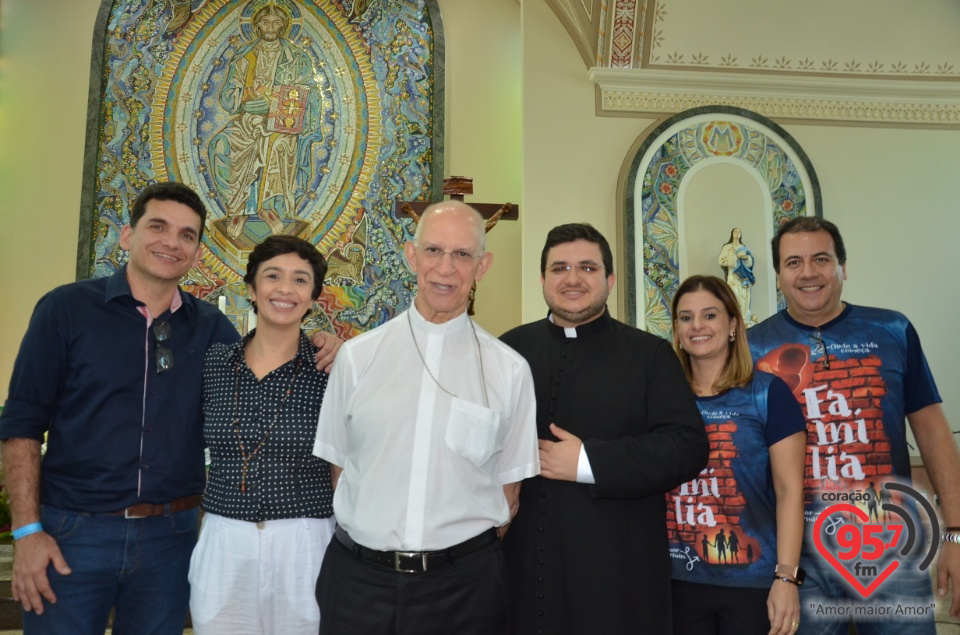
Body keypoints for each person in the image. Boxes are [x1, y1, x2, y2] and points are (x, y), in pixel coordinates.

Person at [0, 182, 240, 634]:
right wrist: (27, 533)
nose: (172, 241)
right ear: (128, 236)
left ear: (196, 252)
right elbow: (22, 425)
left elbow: (261, 375)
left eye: (187, 235)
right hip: (73, 535)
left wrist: (320, 348)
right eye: (158, 226)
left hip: (171, 541)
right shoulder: (65, 309)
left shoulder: (212, 327)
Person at [312, 200, 539, 635]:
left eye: (462, 254)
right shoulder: (358, 357)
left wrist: (452, 558)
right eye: (433, 251)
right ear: (411, 256)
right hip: (360, 581)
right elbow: (340, 468)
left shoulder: (509, 370)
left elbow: (509, 495)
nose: (446, 268)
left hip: (464, 589)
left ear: (483, 265)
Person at [748, 216, 960, 633]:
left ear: (843, 267)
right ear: (777, 276)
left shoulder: (892, 330)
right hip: (797, 557)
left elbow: (933, 431)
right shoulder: (753, 347)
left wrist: (955, 533)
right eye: (793, 262)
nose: (808, 272)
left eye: (821, 259)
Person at [499, 223, 709, 634]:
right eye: (559, 268)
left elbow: (688, 447)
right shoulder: (508, 351)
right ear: (542, 279)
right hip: (522, 571)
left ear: (609, 280)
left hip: (617, 578)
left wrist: (588, 461)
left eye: (587, 268)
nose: (572, 279)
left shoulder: (649, 354)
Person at [188, 236, 334, 634]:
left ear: (313, 296)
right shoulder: (215, 363)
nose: (286, 289)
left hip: (305, 540)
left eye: (300, 280)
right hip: (224, 538)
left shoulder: (331, 369)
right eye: (273, 276)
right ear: (251, 289)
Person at [668, 274, 806, 635]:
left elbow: (790, 491)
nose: (697, 326)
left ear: (732, 324)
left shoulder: (768, 394)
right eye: (686, 317)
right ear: (676, 330)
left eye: (710, 315)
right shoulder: (661, 396)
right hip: (676, 581)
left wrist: (787, 578)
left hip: (753, 583)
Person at [210, 3, 323, 238]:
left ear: (284, 26)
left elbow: (310, 91)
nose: (270, 27)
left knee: (277, 145)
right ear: (256, 25)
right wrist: (252, 92)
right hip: (248, 120)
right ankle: (239, 209)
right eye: (265, 22)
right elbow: (229, 99)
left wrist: (285, 98)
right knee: (220, 145)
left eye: (276, 22)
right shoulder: (246, 56)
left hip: (281, 122)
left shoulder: (297, 58)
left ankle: (269, 209)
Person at [719, 227, 756, 325]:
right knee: (733, 296)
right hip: (733, 276)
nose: (737, 233)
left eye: (739, 231)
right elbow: (721, 260)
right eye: (736, 231)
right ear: (732, 233)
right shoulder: (727, 247)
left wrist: (746, 258)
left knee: (743, 298)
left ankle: (743, 320)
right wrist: (735, 257)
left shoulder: (743, 247)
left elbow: (750, 263)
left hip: (743, 278)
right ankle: (733, 319)